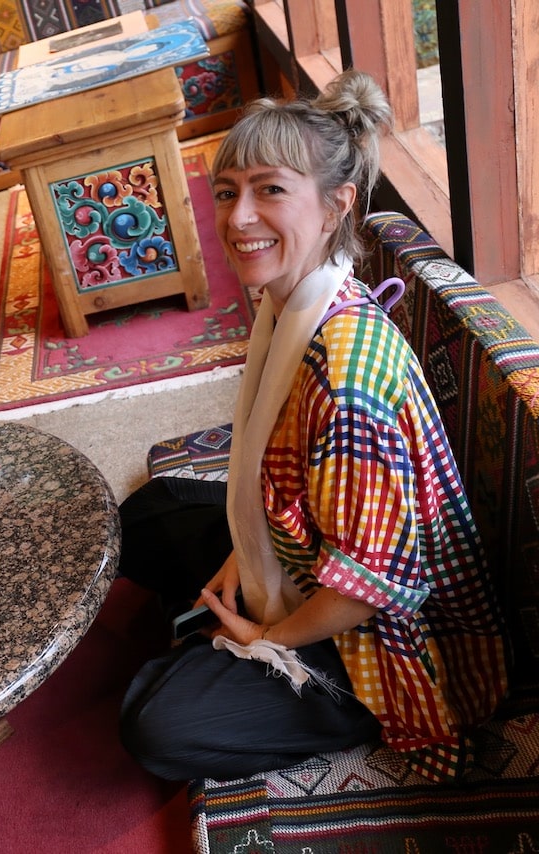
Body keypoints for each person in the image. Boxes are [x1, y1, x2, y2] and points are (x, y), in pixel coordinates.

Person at [116, 70, 507, 784]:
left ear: (335, 206)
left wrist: (265, 638)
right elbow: (282, 473)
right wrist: (248, 544)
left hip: (391, 633)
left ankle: (277, 677)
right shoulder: (295, 299)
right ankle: (212, 623)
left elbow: (370, 585)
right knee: (146, 517)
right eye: (229, 191)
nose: (238, 218)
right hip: (313, 543)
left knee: (155, 724)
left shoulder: (347, 374)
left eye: (270, 190)